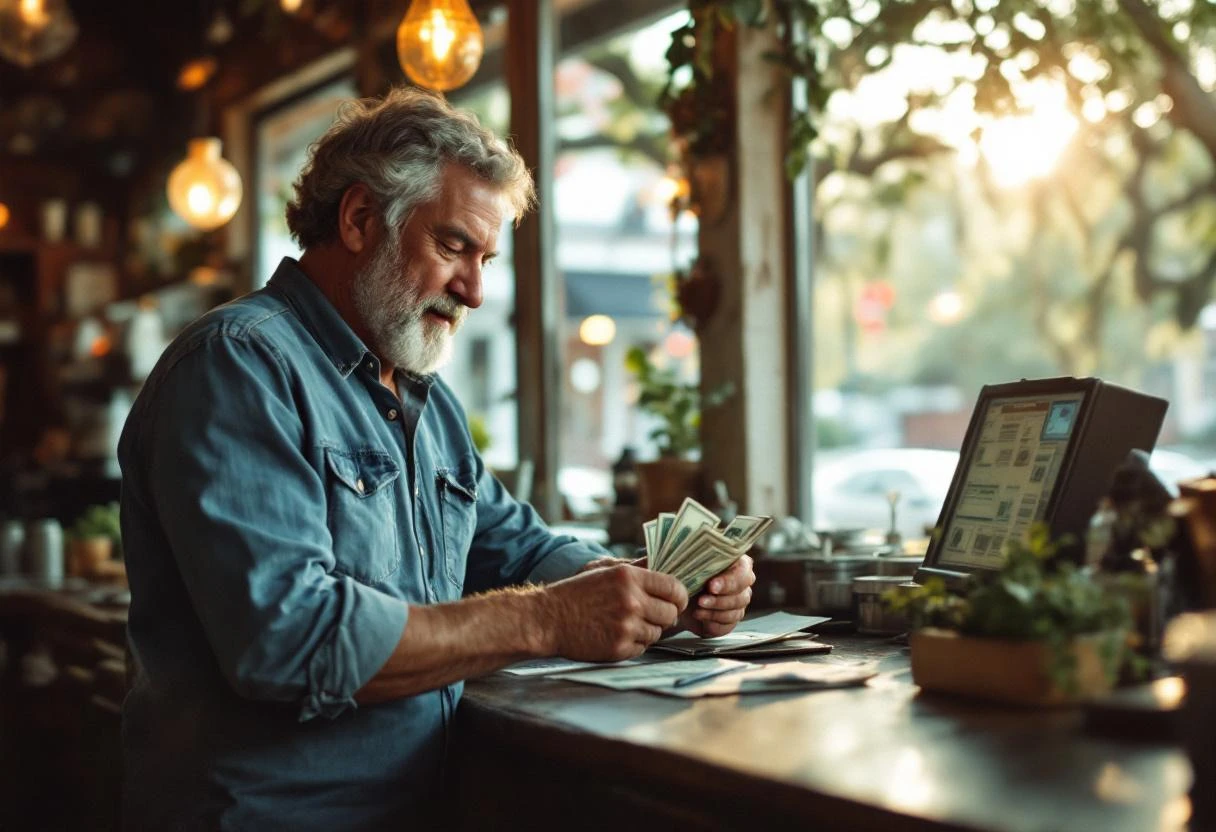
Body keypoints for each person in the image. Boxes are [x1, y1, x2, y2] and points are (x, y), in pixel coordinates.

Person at [118, 87, 756, 831]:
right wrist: (547, 621)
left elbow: (515, 546)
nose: (476, 291)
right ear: (359, 219)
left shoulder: (424, 398)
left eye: (485, 258)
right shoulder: (239, 365)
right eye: (454, 247)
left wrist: (656, 589)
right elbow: (287, 642)